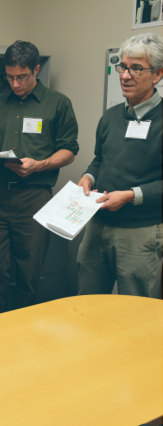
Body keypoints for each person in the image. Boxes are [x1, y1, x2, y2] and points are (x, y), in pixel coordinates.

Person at [0, 40, 79, 316]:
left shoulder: (58, 103)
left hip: (34, 198)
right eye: (9, 77)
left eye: (22, 77)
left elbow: (69, 151)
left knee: (28, 273)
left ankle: (23, 339)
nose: (15, 84)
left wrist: (40, 164)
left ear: (36, 69)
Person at [77, 33, 162, 297]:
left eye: (136, 68)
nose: (125, 75)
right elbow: (100, 158)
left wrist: (130, 196)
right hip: (97, 227)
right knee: (87, 305)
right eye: (123, 67)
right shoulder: (111, 116)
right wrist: (88, 176)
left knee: (136, 316)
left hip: (140, 233)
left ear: (157, 75)